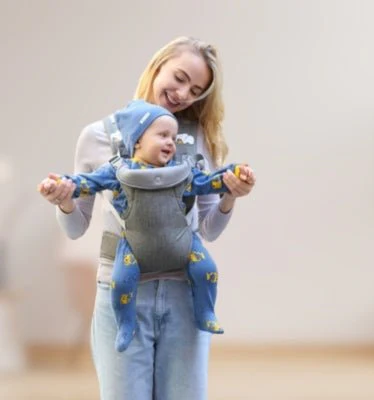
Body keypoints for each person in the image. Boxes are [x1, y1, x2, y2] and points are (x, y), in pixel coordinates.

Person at [38, 36, 256, 400]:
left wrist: (230, 196)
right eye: (180, 77)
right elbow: (76, 228)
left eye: (195, 90)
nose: (183, 93)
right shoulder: (96, 137)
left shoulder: (195, 138)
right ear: (158, 65)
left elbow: (209, 229)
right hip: (122, 291)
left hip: (184, 296)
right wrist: (63, 202)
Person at [40, 99, 254, 352]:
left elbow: (210, 182)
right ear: (137, 140)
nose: (170, 142)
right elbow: (85, 183)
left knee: (207, 270)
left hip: (184, 244)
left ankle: (205, 311)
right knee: (121, 282)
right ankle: (126, 324)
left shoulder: (184, 171)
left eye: (173, 138)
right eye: (163, 135)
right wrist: (60, 186)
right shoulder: (117, 170)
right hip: (134, 247)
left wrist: (235, 175)